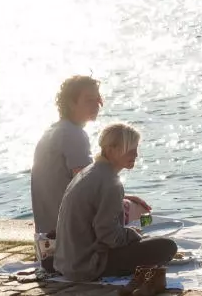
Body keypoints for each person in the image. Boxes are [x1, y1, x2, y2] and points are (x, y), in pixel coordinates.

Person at [54, 122, 177, 281]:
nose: (136, 155)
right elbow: (108, 235)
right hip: (88, 265)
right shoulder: (110, 182)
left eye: (136, 149)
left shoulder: (88, 171)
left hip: (67, 261)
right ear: (111, 150)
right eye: (130, 149)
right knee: (167, 246)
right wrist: (133, 235)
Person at [31, 76, 149, 237]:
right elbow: (88, 188)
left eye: (98, 99)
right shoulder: (73, 134)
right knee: (141, 212)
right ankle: (139, 237)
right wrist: (122, 199)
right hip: (68, 232)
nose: (96, 105)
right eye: (89, 100)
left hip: (47, 230)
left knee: (127, 204)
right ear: (71, 103)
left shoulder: (53, 131)